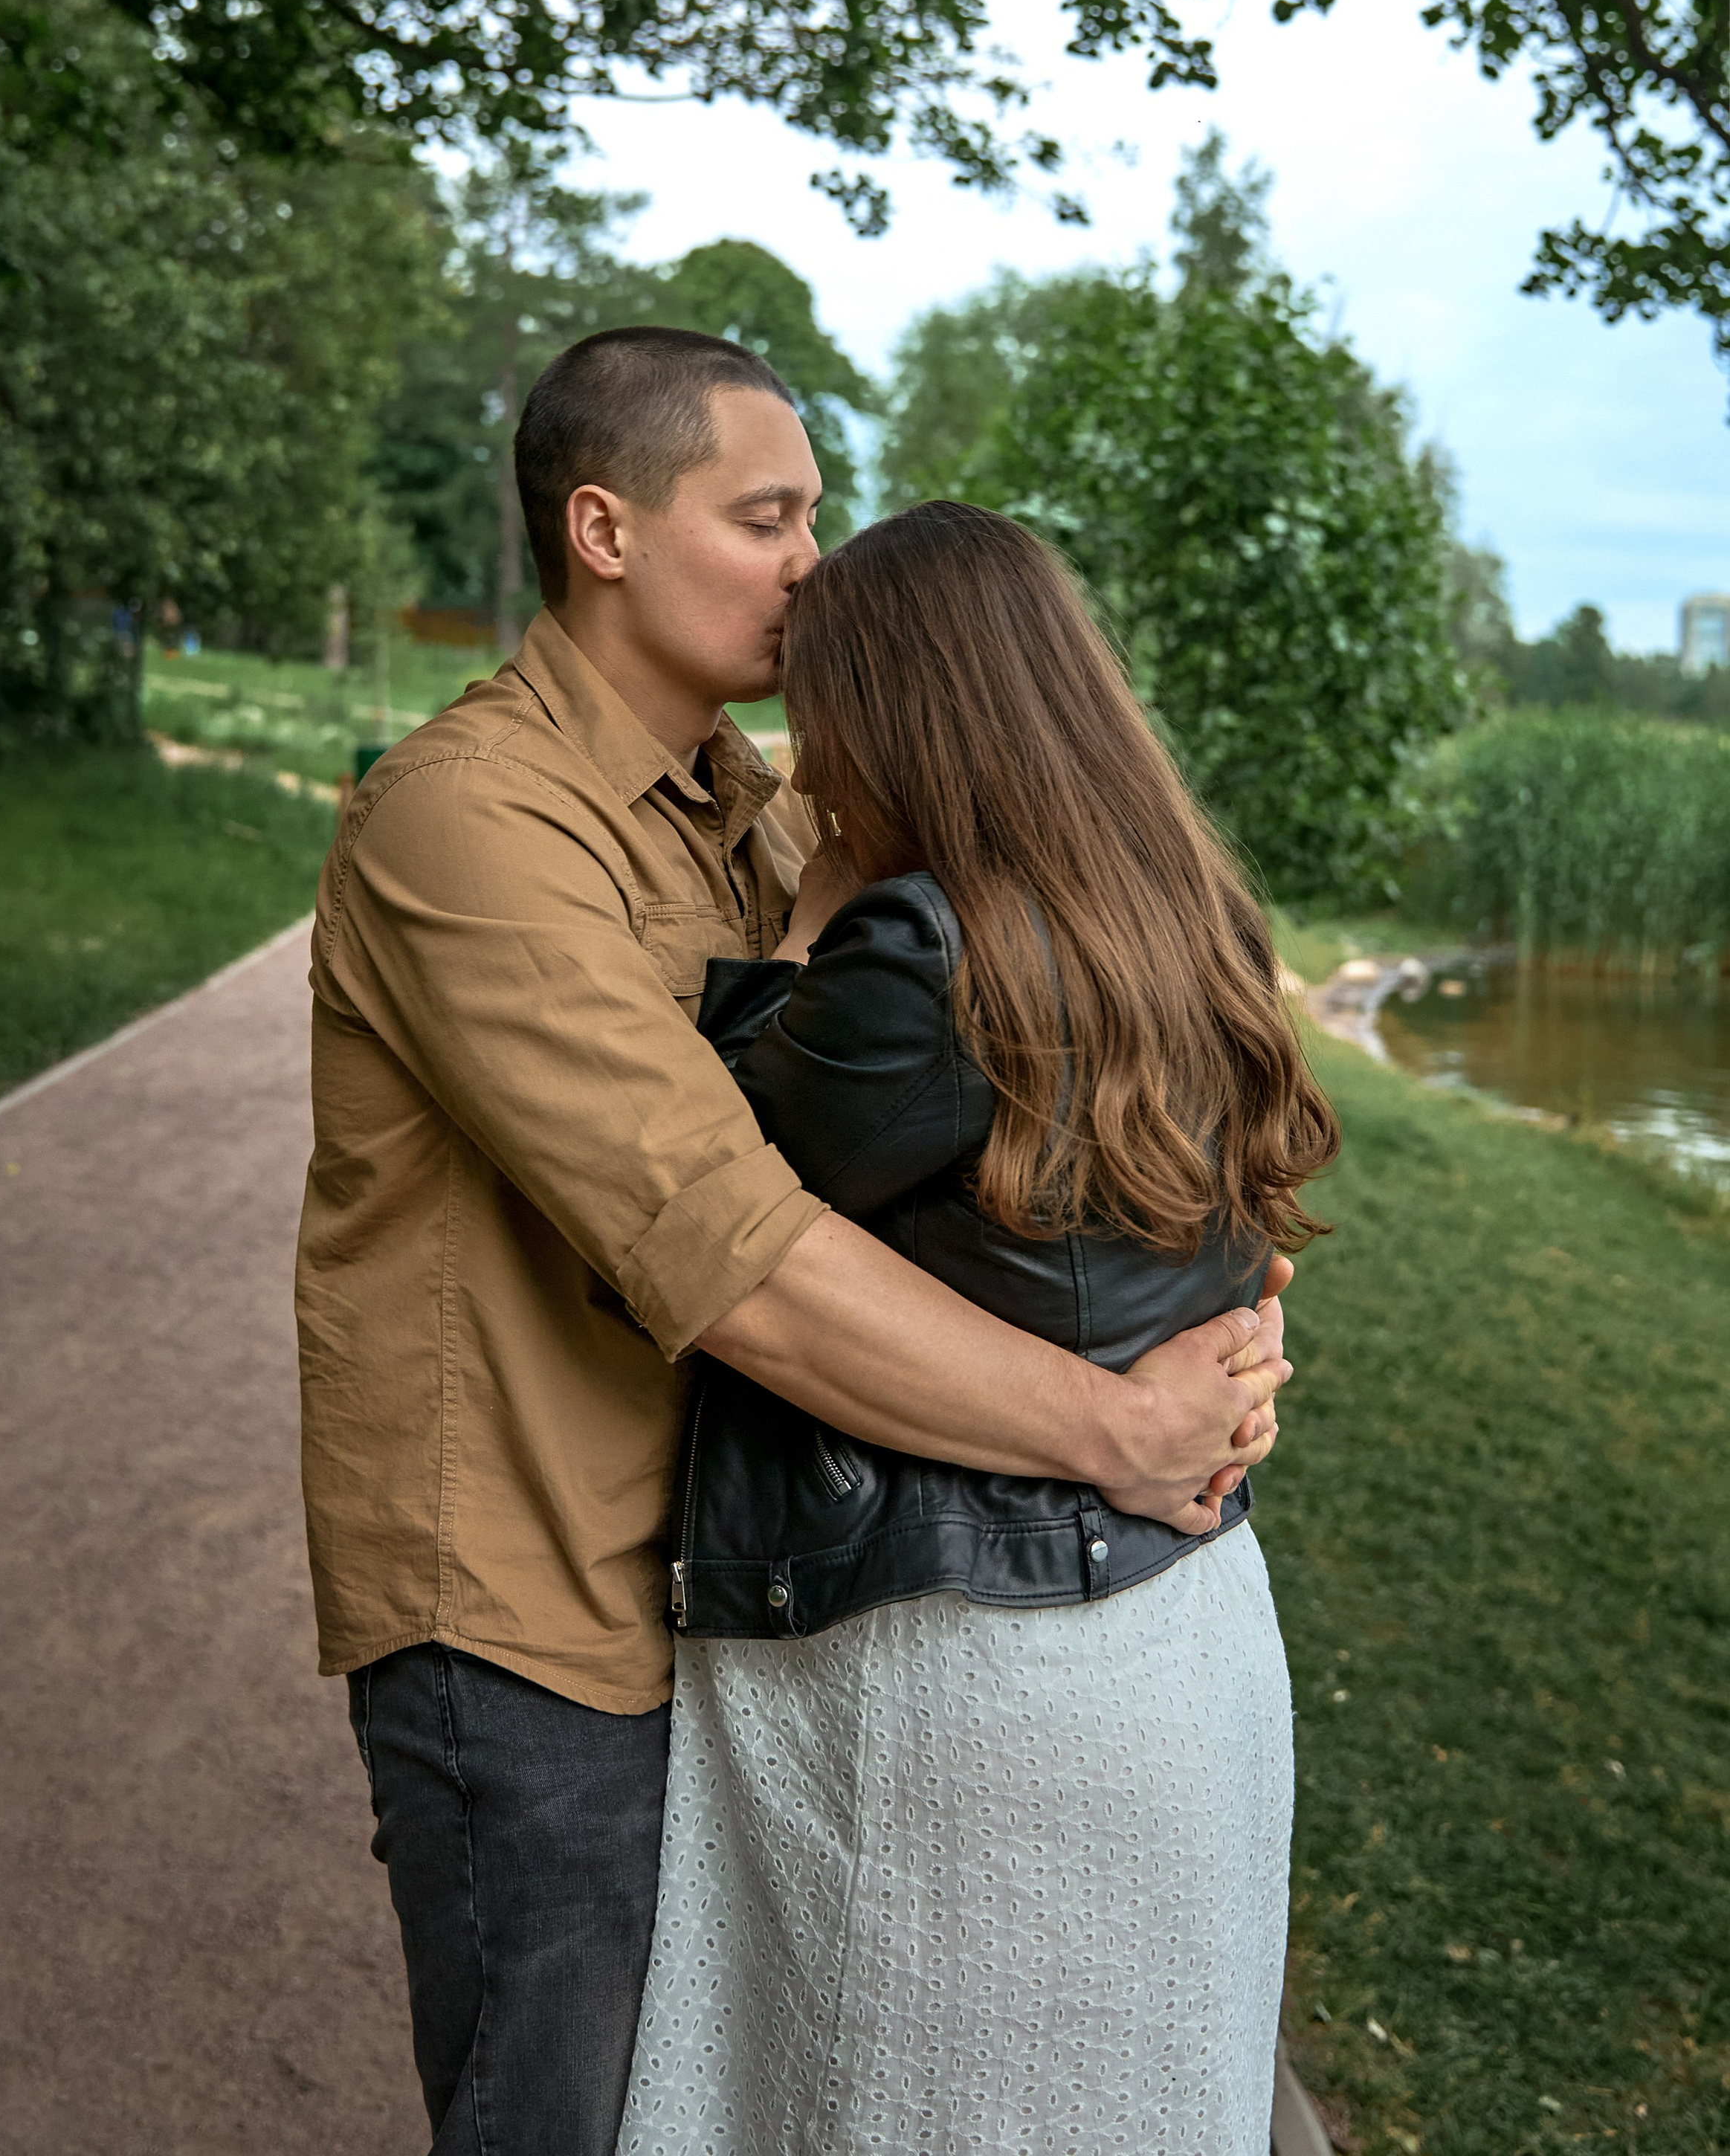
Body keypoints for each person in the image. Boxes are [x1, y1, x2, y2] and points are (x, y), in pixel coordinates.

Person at [296, 332, 1294, 2156]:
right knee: (563, 2113)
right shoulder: (470, 819)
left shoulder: (755, 812)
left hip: (741, 1581)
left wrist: (1211, 1324)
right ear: (604, 531)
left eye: (814, 518)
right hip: (538, 1602)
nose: (811, 565)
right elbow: (734, 1246)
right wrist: (1114, 1427)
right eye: (764, 520)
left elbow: (982, 1115)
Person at [619, 501, 1339, 2156]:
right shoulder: (1189, 918)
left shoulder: (920, 951)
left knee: (908, 2095)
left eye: (823, 717)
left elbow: (706, 1192)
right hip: (1186, 1618)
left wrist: (798, 930)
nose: (806, 766)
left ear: (902, 716)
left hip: (971, 1646)